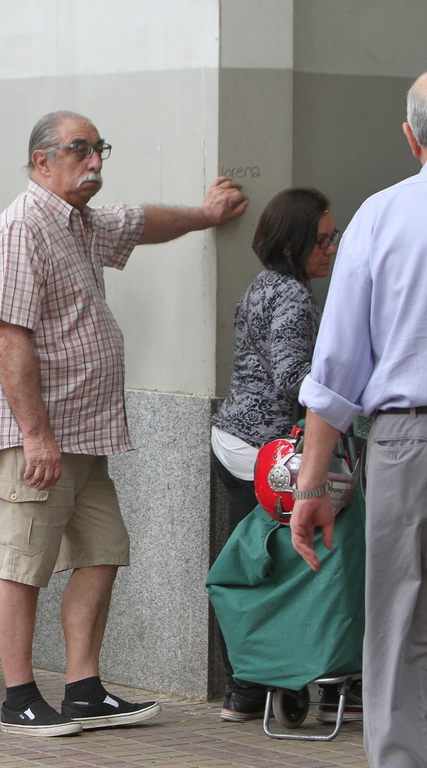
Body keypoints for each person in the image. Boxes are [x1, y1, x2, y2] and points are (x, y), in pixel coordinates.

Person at [0, 110, 249, 737]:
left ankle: (84, 689)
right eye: (80, 150)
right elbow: (8, 339)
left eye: (100, 149)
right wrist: (36, 434)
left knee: (101, 553)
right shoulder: (20, 228)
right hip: (35, 437)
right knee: (22, 566)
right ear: (42, 160)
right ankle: (19, 699)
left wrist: (205, 216)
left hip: (83, 434)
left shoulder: (82, 222)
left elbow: (143, 222)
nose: (95, 162)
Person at [291, 72, 427, 768]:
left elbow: (338, 364)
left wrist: (312, 484)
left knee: (400, 619)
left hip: (410, 442)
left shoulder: (381, 216)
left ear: (411, 138)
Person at [209, 188, 344, 721]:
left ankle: (246, 687)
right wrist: (349, 394)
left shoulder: (264, 285)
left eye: (334, 238)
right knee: (275, 571)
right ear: (292, 244)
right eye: (322, 240)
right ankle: (256, 683)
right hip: (269, 454)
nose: (331, 249)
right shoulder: (292, 297)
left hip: (236, 441)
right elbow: (294, 378)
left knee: (249, 565)